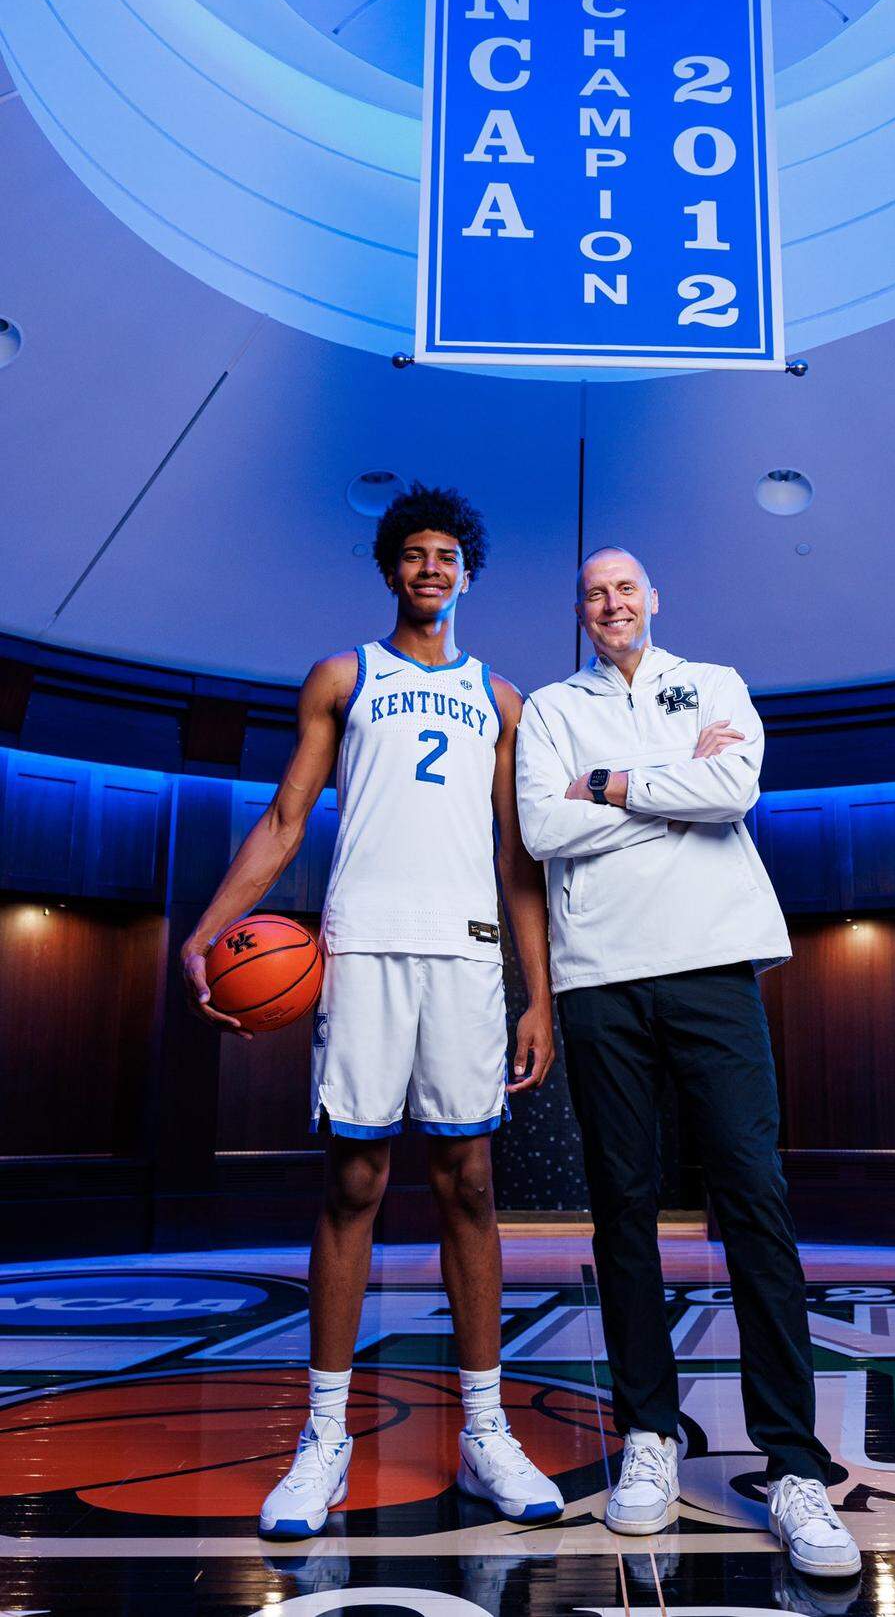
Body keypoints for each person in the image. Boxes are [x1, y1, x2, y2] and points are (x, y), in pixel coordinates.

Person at [181, 483, 564, 1540]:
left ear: (467, 574)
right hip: (361, 948)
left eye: (448, 555)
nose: (432, 568)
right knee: (352, 1179)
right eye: (415, 553)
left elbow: (517, 858)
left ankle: (486, 1431)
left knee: (471, 1181)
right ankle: (323, 1436)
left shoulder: (505, 697)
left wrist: (539, 991)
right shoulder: (344, 675)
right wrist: (209, 928)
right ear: (392, 569)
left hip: (467, 955)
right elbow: (286, 815)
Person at [514, 546, 861, 1579]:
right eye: (593, 591)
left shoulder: (712, 683)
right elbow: (542, 825)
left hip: (713, 966)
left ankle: (794, 1466)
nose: (611, 603)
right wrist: (675, 795)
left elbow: (734, 788)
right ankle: (650, 1439)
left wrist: (614, 787)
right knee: (623, 1204)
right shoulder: (546, 706)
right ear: (578, 610)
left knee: (754, 1195)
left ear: (653, 598)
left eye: (627, 587)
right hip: (598, 978)